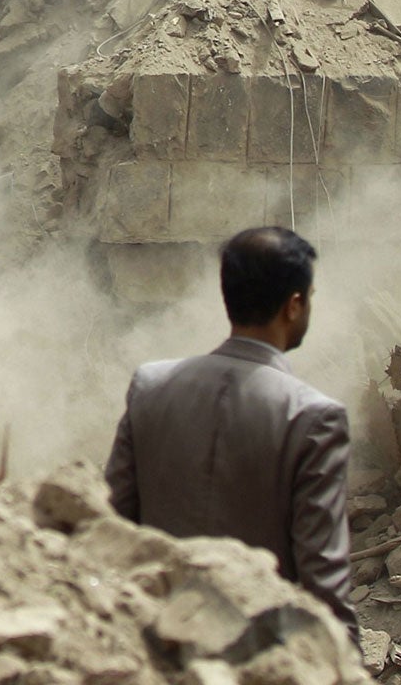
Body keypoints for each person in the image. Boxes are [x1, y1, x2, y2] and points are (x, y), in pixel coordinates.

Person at [105, 227, 356, 636]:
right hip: (258, 657)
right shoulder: (313, 417)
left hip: (156, 647)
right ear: (294, 305)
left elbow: (113, 527)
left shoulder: (150, 387)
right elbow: (323, 583)